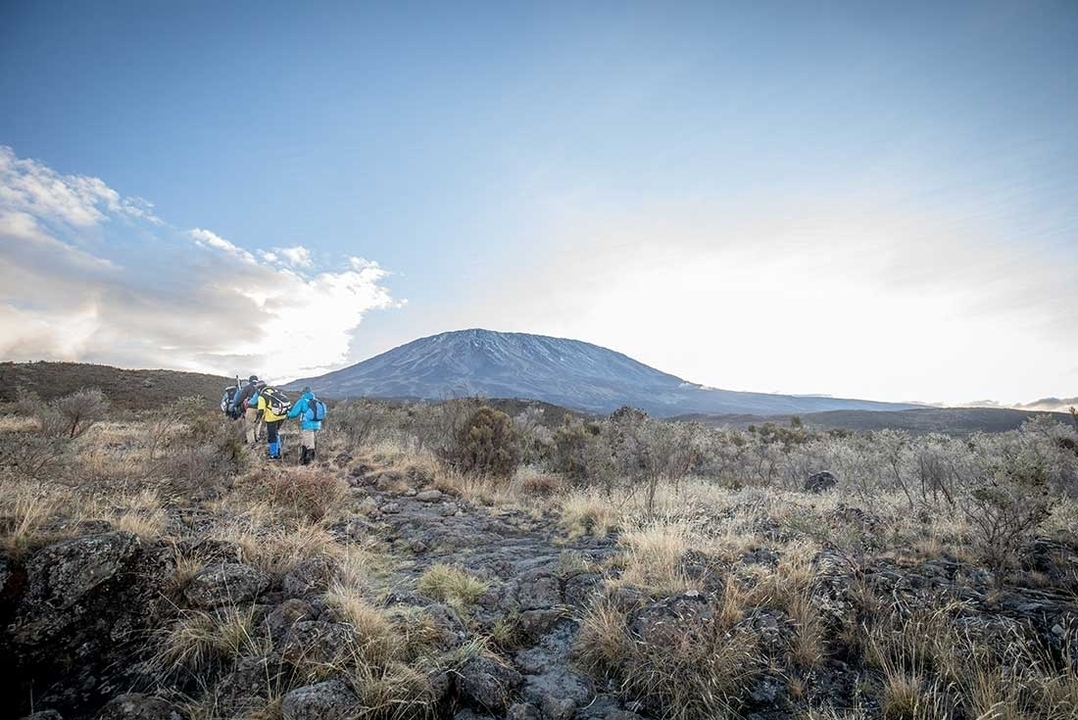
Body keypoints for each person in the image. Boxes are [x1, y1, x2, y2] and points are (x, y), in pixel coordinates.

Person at [287, 386, 323, 465]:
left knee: (309, 444)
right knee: (306, 442)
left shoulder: (302, 401)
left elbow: (294, 414)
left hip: (307, 425)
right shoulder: (316, 400)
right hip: (317, 425)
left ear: (303, 393)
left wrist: (287, 415)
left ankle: (310, 463)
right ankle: (303, 460)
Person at [258, 386, 289, 459]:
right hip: (282, 417)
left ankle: (273, 455)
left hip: (272, 418)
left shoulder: (262, 396)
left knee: (272, 435)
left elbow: (261, 410)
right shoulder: (276, 393)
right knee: (276, 433)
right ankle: (278, 451)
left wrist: (258, 419)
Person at [232, 375, 263, 444]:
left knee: (249, 426)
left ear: (249, 381)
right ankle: (257, 437)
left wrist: (235, 405)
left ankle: (251, 443)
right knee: (257, 423)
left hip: (251, 409)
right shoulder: (260, 388)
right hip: (261, 409)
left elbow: (241, 398)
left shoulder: (248, 388)